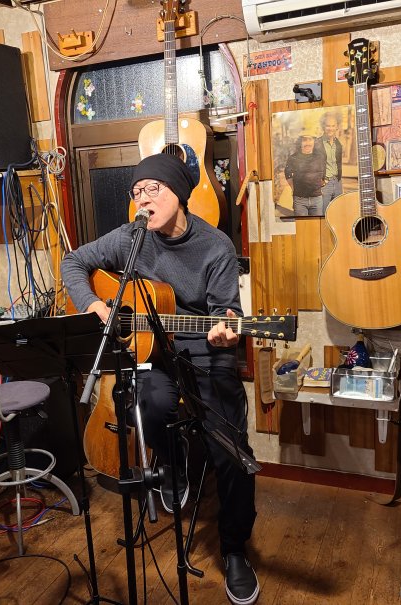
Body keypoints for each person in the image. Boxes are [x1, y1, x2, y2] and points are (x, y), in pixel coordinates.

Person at [61, 153, 259, 605]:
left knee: (232, 454)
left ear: (179, 194)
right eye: (137, 192)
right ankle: (173, 460)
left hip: (206, 354)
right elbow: (73, 261)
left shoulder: (215, 247)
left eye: (154, 189)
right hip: (155, 353)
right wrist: (94, 304)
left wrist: (226, 330)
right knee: (145, 405)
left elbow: (227, 312)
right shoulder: (131, 237)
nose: (143, 199)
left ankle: (234, 549)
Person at [283, 135, 324, 216]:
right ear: (300, 142)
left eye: (310, 139)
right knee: (302, 224)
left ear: (314, 142)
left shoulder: (320, 157)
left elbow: (324, 174)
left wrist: (319, 186)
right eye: (304, 140)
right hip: (299, 200)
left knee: (316, 224)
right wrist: (293, 188)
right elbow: (288, 174)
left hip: (317, 200)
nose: (307, 143)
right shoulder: (293, 158)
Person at [314, 110, 344, 213]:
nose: (330, 128)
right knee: (323, 214)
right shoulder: (317, 143)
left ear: (337, 127)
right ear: (323, 126)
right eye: (328, 126)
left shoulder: (338, 144)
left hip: (337, 182)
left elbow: (337, 164)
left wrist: (340, 182)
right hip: (324, 184)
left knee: (338, 212)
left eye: (333, 125)